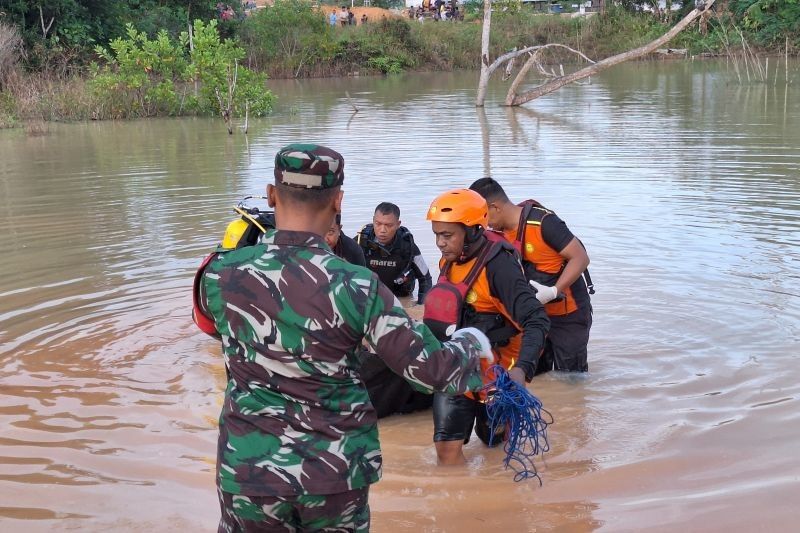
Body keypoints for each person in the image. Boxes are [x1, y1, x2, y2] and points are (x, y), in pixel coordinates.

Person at [195, 144, 494, 531]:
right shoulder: (358, 285)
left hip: (250, 470)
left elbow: (208, 325)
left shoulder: (221, 274)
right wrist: (473, 343)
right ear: (338, 201)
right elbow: (431, 370)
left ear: (271, 196)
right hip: (334, 473)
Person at [423, 188, 550, 465]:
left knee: (494, 446)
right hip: (456, 368)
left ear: (471, 231)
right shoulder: (449, 260)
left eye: (447, 235)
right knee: (446, 450)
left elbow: (537, 319)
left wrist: (522, 370)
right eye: (436, 235)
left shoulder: (499, 267)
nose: (440, 244)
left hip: (497, 375)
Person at [470, 177, 592, 374]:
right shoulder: (496, 236)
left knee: (571, 378)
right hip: (533, 317)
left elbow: (581, 258)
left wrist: (554, 291)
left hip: (568, 314)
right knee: (535, 374)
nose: (483, 224)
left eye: (483, 216)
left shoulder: (543, 223)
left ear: (494, 207)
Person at [356, 202, 432, 306]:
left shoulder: (408, 247)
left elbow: (425, 279)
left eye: (389, 225)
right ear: (373, 220)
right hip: (369, 298)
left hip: (400, 298)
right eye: (378, 224)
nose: (382, 230)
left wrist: (422, 306)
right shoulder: (359, 243)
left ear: (398, 224)